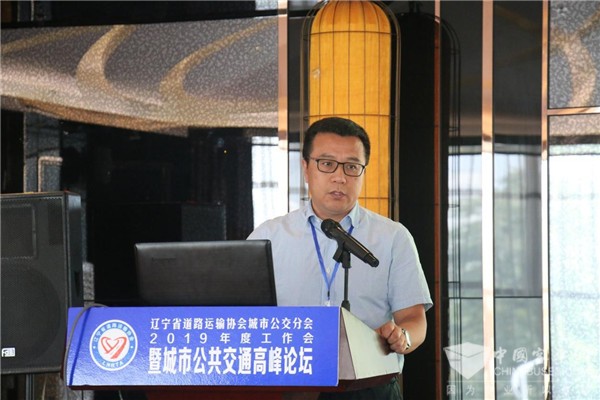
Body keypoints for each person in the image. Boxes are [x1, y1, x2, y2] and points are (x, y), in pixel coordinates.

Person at [247, 117, 432, 400]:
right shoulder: (269, 236)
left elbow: (414, 319)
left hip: (369, 388)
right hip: (290, 384)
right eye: (327, 163)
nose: (339, 177)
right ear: (306, 168)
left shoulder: (393, 237)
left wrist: (402, 337)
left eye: (352, 166)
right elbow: (243, 314)